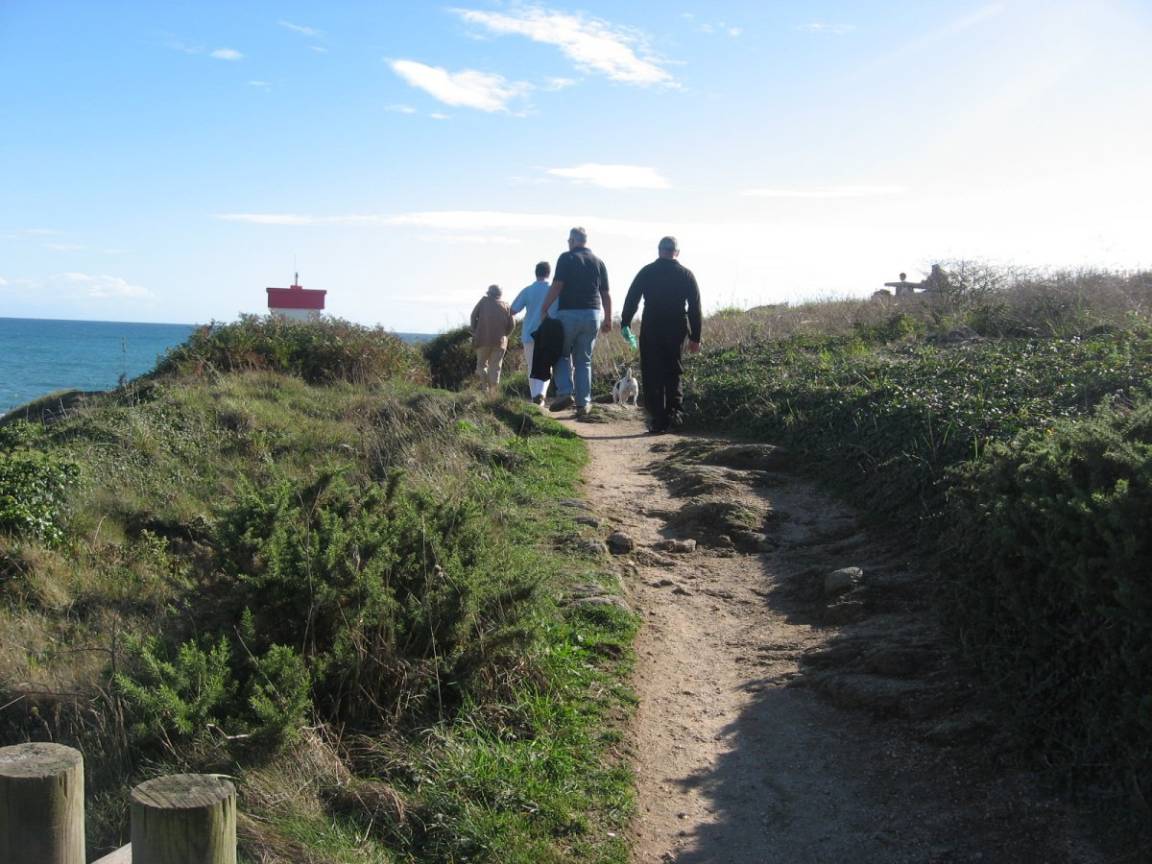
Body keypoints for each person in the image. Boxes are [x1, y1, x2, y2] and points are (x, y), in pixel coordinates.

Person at [620, 235, 702, 434]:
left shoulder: (647, 272)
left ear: (659, 250)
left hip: (652, 327)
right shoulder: (686, 275)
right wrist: (695, 337)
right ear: (677, 252)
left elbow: (632, 298)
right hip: (677, 328)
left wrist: (625, 323)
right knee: (673, 370)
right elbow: (695, 307)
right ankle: (675, 416)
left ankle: (658, 419)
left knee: (652, 372)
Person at [538, 227, 612, 419]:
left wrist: (544, 308)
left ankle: (565, 392)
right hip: (593, 314)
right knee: (584, 360)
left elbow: (557, 285)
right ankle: (583, 404)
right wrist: (608, 318)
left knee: (560, 354)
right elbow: (605, 294)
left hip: (569, 313)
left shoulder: (566, 258)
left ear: (572, 241)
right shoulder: (598, 262)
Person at [509, 261, 560, 406]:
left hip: (529, 334)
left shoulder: (528, 290)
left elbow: (513, 310)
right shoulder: (554, 290)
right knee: (546, 366)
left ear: (536, 273)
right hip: (549, 333)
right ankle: (541, 395)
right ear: (549, 273)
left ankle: (536, 399)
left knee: (532, 368)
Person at [469, 284, 514, 395]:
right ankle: (493, 394)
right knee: (495, 368)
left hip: (482, 340)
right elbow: (512, 324)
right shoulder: (506, 305)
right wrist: (505, 335)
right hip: (500, 342)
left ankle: (485, 388)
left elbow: (473, 316)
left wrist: (475, 331)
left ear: (489, 293)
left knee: (481, 366)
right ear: (500, 294)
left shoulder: (483, 301)